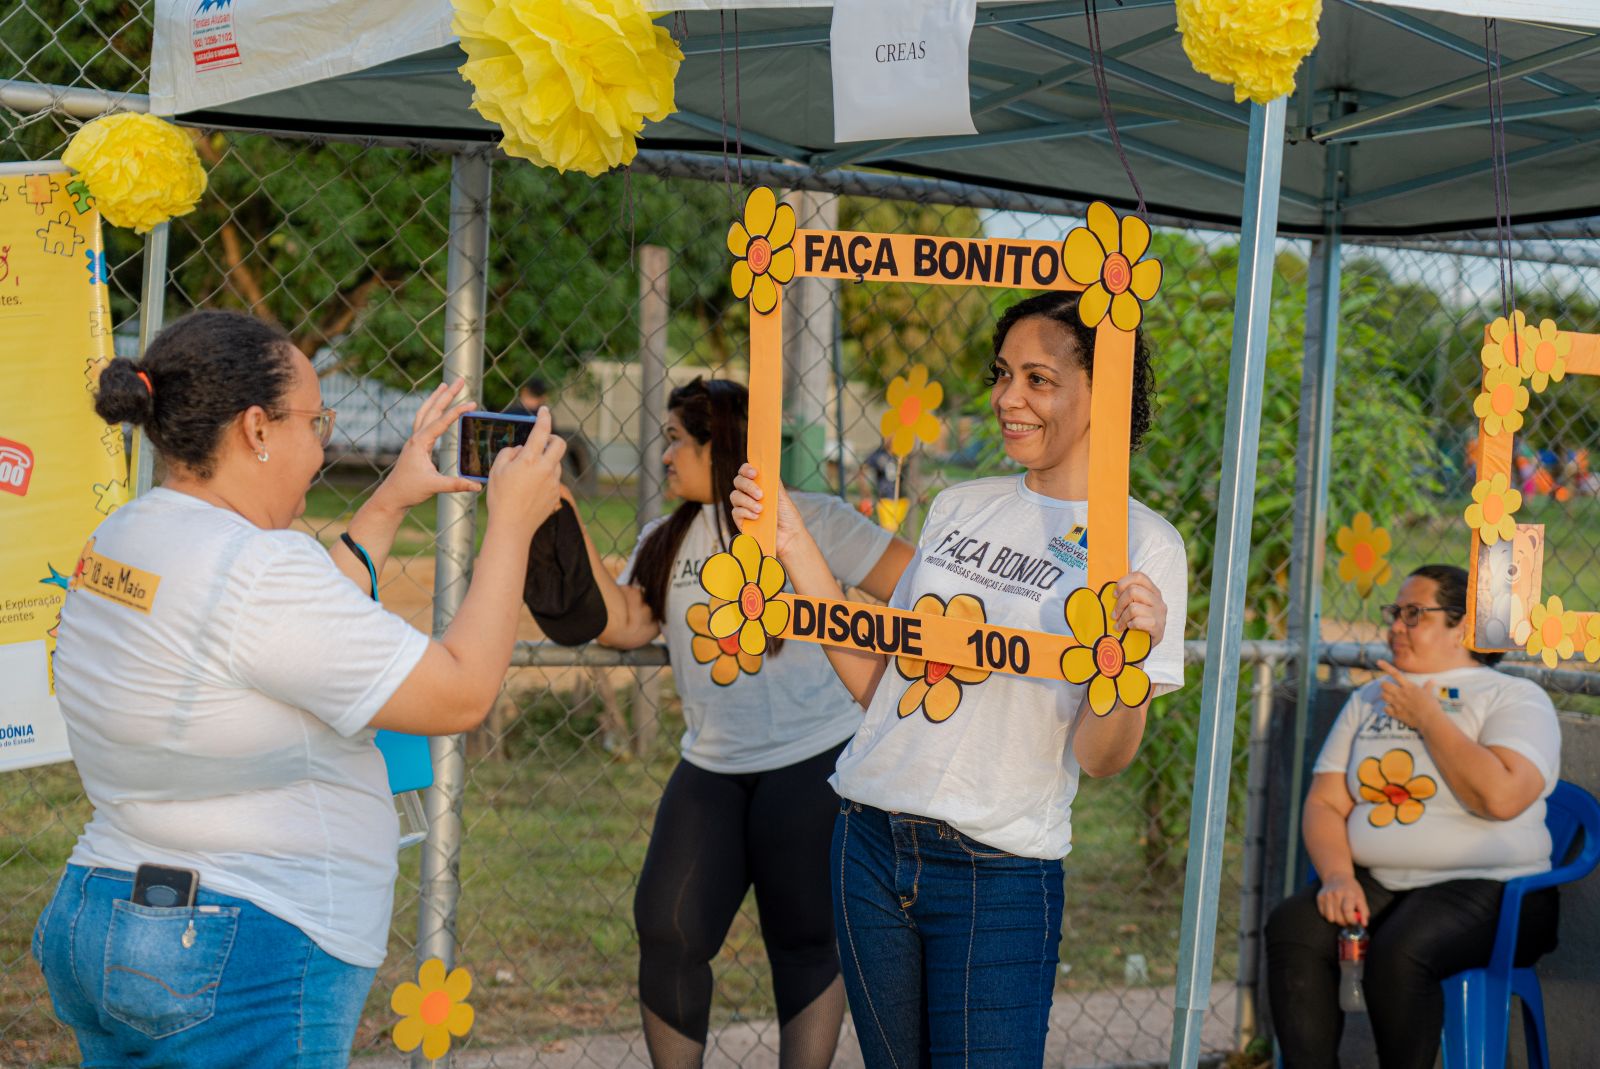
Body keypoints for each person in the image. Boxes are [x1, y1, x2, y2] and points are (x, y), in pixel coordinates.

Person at [32, 310, 565, 1067]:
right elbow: (460, 693)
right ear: (256, 429)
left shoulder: (126, 534)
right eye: (316, 421)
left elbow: (280, 638)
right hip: (242, 942)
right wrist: (511, 522)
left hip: (112, 911)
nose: (324, 446)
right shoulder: (257, 570)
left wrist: (387, 502)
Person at [732, 290, 1188, 1067]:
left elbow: (1106, 756)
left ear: (1100, 392)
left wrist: (1131, 664)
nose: (1009, 397)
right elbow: (887, 689)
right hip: (869, 839)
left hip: (999, 870)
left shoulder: (1144, 546)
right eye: (1003, 373)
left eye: (1039, 379)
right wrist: (794, 545)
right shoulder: (957, 508)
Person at [561, 377, 914, 1069]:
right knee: (668, 927)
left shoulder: (811, 517)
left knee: (807, 938)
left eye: (675, 440)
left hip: (813, 760)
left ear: (718, 446)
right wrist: (562, 521)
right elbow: (628, 622)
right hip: (713, 767)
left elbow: (913, 582)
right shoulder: (666, 537)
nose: (664, 456)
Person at [1265, 563, 1561, 1069]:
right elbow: (1325, 803)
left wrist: (1428, 718)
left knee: (1399, 953)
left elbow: (1502, 798)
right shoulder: (1369, 699)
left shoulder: (1514, 697)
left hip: (1494, 888)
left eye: (1413, 614)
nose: (1395, 626)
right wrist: (1337, 877)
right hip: (1381, 882)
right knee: (1294, 925)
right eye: (1394, 613)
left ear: (1462, 627)